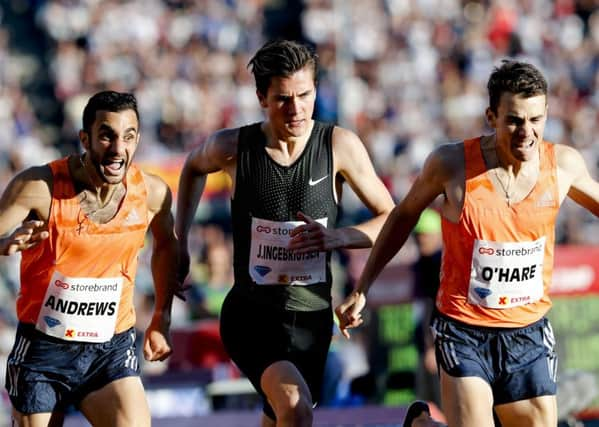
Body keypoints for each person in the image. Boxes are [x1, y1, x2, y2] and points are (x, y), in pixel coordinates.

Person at [336, 59, 599, 427]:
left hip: (528, 331)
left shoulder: (563, 165)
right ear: (491, 116)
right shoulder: (451, 164)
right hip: (464, 328)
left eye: (536, 119)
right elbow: (402, 217)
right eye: (514, 120)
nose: (527, 132)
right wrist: (363, 287)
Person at [175, 39, 394, 427]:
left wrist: (340, 237)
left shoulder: (339, 146)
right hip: (251, 314)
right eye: (283, 99)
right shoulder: (234, 148)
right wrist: (181, 241)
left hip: (312, 318)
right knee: (295, 408)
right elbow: (192, 167)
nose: (296, 109)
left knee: (280, 416)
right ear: (261, 97)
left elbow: (390, 219)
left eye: (305, 95)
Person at [0, 90, 180, 426]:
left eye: (128, 137)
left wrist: (161, 315)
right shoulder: (40, 187)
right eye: (106, 136)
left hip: (109, 349)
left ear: (138, 139)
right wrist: (3, 244)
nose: (117, 149)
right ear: (85, 138)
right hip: (43, 352)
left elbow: (167, 246)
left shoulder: (152, 194)